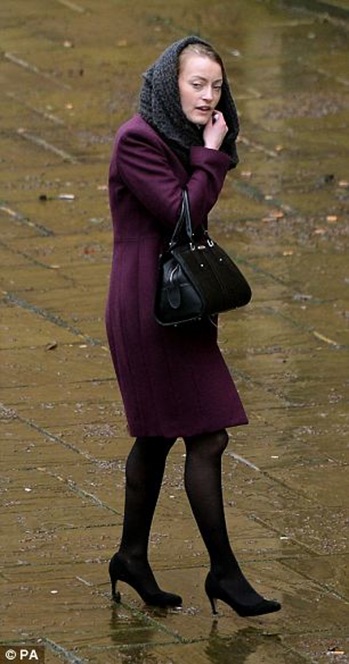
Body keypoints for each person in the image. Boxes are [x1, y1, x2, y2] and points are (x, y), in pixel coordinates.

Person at [105, 35, 281, 618]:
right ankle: (225, 574)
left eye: (216, 86)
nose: (209, 97)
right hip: (147, 308)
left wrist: (208, 151)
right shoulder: (138, 139)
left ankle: (131, 558)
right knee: (207, 435)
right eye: (196, 84)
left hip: (177, 302)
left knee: (156, 437)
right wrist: (211, 153)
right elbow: (184, 213)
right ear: (168, 84)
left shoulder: (179, 135)